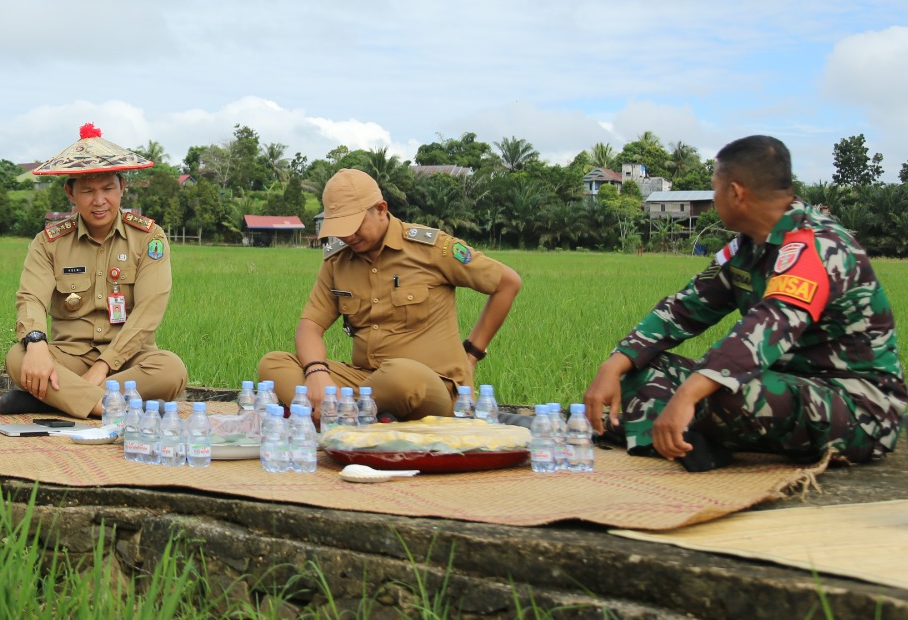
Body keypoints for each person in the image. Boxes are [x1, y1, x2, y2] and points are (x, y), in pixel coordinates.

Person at [584, 135, 905, 468]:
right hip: (781, 386)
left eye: (715, 189)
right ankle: (691, 440)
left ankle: (682, 436)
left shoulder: (817, 245)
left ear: (736, 193)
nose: (714, 197)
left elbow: (765, 329)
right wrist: (616, 362)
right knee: (640, 369)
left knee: (726, 394)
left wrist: (688, 393)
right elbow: (684, 308)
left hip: (857, 404)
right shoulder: (747, 248)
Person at [258, 168, 522, 423]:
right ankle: (359, 416)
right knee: (273, 365)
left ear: (381, 209)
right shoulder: (337, 261)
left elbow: (507, 283)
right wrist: (316, 372)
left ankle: (334, 415)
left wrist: (472, 353)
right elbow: (309, 327)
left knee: (401, 376)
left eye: (354, 224)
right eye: (340, 227)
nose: (347, 235)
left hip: (429, 384)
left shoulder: (433, 248)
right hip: (365, 380)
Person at [3, 124, 187, 418]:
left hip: (128, 360)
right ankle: (105, 406)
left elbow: (148, 313)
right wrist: (36, 342)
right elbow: (31, 298)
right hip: (69, 357)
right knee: (18, 356)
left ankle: (55, 399)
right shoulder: (48, 242)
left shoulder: (149, 238)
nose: (99, 201)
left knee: (171, 369)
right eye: (87, 191)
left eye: (107, 189)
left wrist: (103, 367)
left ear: (122, 187)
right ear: (70, 193)